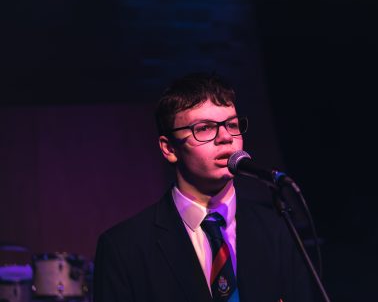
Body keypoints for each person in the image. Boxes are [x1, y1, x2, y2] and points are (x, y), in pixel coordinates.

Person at [93, 72, 315, 302]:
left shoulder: (278, 229)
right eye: (205, 128)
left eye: (232, 124)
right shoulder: (124, 247)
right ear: (169, 148)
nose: (225, 137)